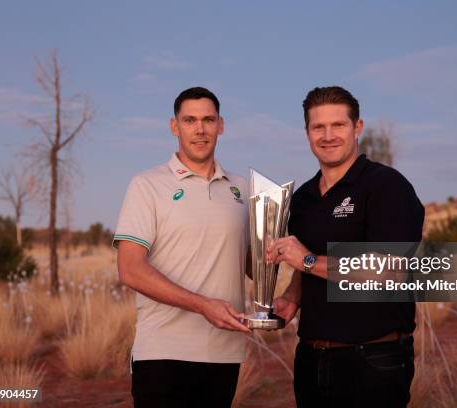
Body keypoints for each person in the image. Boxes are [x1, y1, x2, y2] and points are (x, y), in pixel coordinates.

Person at [268, 86, 424, 407]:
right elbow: (307, 262)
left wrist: (307, 260)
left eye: (338, 125)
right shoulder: (303, 198)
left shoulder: (386, 186)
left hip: (373, 360)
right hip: (311, 357)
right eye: (318, 127)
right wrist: (291, 299)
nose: (328, 135)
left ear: (357, 128)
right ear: (307, 133)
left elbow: (386, 271)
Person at [113, 87, 250, 407]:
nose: (200, 129)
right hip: (163, 353)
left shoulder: (242, 188)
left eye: (208, 120)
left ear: (221, 125)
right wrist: (203, 305)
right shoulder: (147, 185)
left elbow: (251, 267)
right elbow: (130, 269)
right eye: (190, 120)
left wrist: (275, 251)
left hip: (224, 354)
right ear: (174, 126)